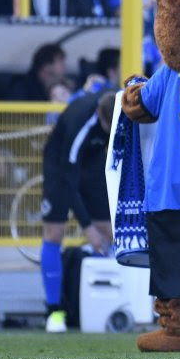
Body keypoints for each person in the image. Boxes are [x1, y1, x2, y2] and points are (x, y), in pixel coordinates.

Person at [40, 91, 117, 332]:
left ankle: (109, 306)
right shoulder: (80, 124)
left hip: (92, 163)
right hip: (60, 167)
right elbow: (68, 180)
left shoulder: (119, 110)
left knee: (109, 231)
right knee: (54, 232)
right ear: (99, 116)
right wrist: (87, 226)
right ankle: (55, 312)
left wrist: (97, 229)